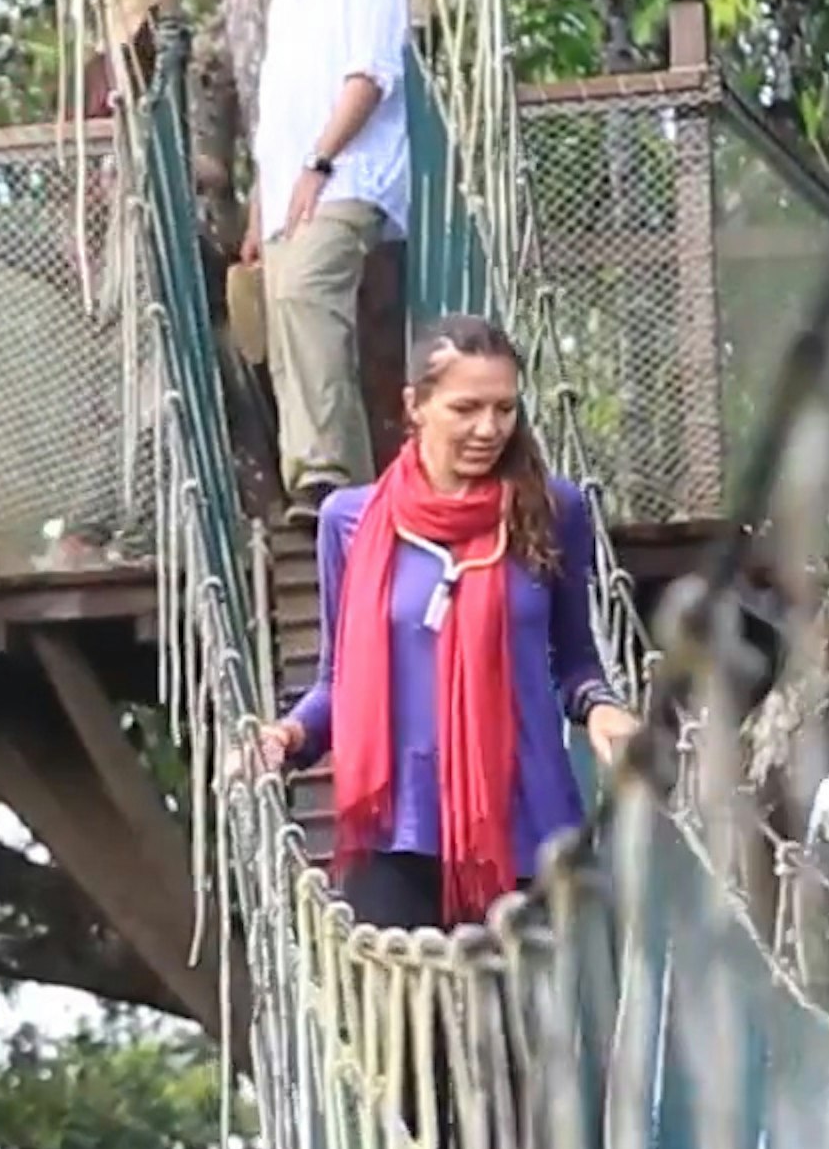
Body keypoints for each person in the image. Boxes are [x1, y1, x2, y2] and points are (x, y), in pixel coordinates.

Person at [256, 318, 640, 931]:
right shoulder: (348, 522)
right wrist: (287, 738)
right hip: (396, 836)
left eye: (505, 409)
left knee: (536, 1028)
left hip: (529, 832)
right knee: (402, 1027)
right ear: (416, 405)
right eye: (466, 408)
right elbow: (336, 683)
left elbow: (575, 663)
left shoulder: (553, 510)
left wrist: (601, 707)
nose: (489, 429)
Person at [239, 0, 413, 510]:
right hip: (292, 187)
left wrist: (318, 161)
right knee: (284, 326)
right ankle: (341, 491)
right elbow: (282, 104)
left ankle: (327, 476)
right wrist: (263, 201)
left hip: (347, 176)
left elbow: (369, 73)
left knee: (308, 296)